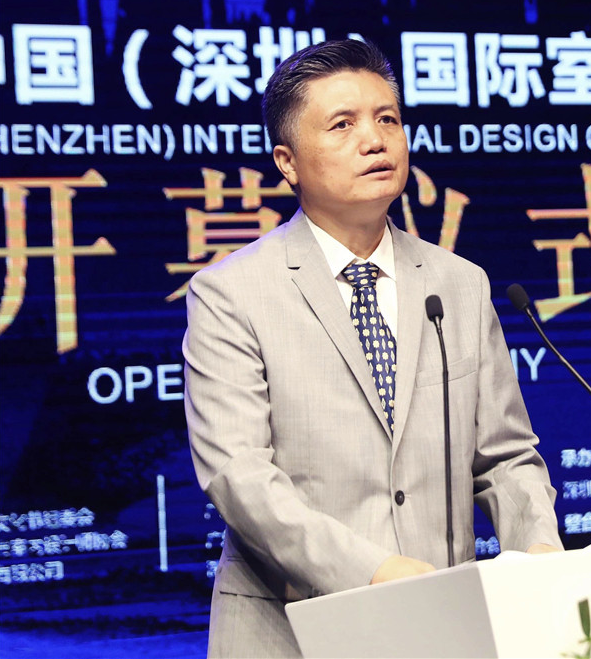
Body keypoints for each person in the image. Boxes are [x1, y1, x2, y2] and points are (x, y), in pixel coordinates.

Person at [183, 38, 562, 658]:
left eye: (388, 119)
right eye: (343, 124)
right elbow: (239, 476)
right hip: (292, 629)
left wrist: (538, 549)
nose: (375, 140)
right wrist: (374, 571)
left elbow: (506, 455)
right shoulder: (231, 292)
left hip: (445, 625)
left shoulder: (459, 284)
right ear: (287, 161)